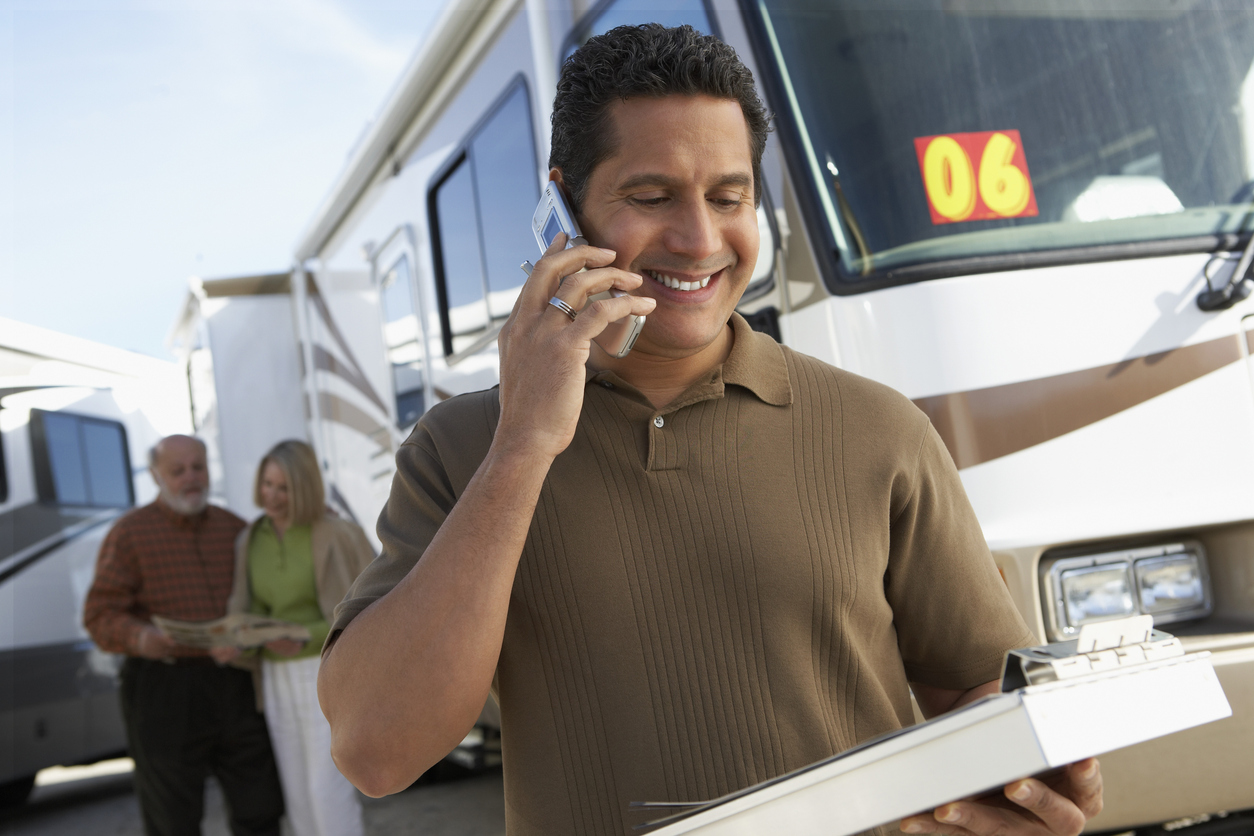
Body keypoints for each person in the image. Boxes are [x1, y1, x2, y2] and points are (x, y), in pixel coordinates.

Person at [318, 24, 1104, 836]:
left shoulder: (880, 430)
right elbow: (377, 753)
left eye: (728, 197)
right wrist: (523, 446)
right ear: (562, 206)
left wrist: (1029, 778)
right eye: (652, 197)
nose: (699, 240)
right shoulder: (461, 449)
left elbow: (977, 697)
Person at [83, 435, 284, 836]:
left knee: (259, 806)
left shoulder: (237, 529)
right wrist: (141, 638)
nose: (191, 478)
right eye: (178, 471)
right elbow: (99, 613)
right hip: (163, 687)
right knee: (172, 820)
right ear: (156, 476)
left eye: (198, 467)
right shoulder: (130, 534)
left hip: (234, 680)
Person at [211, 440, 375, 836]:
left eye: (283, 488)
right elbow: (249, 607)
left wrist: (304, 636)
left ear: (304, 488)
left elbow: (369, 606)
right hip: (274, 676)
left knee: (327, 790)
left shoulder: (337, 533)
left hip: (325, 671)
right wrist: (240, 636)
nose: (272, 496)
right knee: (297, 791)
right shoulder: (251, 539)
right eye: (267, 484)